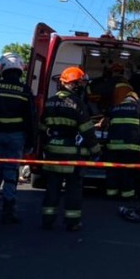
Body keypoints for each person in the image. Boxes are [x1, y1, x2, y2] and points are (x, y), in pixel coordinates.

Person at [39, 67, 100, 231]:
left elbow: (42, 127)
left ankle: (47, 220)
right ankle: (72, 222)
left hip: (52, 154)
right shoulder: (77, 104)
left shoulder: (50, 101)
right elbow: (87, 130)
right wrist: (96, 151)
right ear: (76, 84)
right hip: (73, 157)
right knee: (73, 189)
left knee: (52, 188)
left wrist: (45, 146)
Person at [0, 53, 35, 223]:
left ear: (2, 68)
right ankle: (8, 209)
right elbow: (31, 119)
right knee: (11, 174)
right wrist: (30, 143)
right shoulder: (25, 91)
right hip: (16, 138)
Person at [104, 88, 140, 220]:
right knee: (128, 171)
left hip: (113, 145)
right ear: (135, 99)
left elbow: (106, 123)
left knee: (112, 170)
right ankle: (126, 196)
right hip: (130, 147)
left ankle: (111, 193)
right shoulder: (138, 108)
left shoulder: (115, 108)